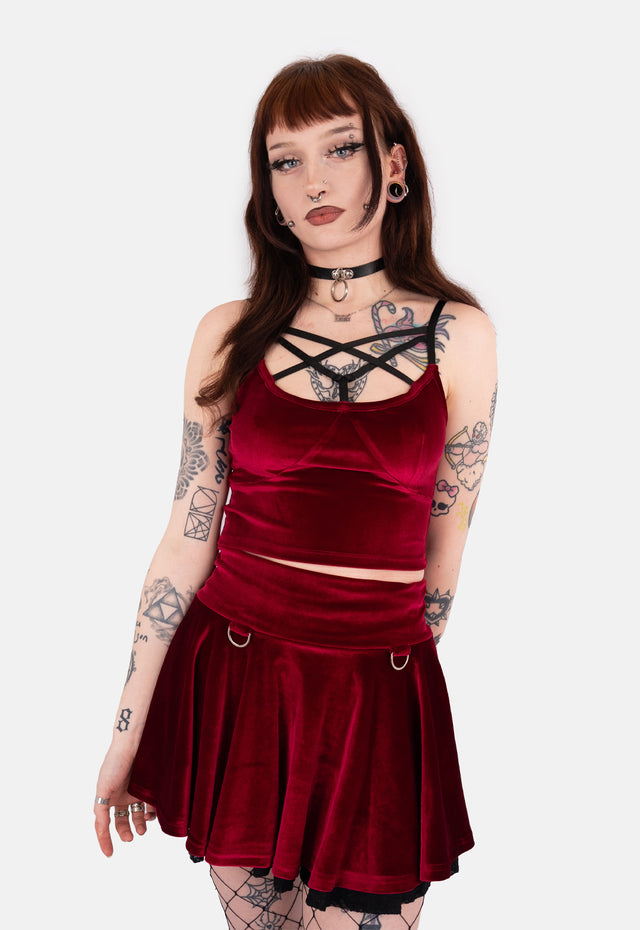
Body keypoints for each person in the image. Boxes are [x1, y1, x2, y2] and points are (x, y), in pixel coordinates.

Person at [94, 54, 497, 930]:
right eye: (286, 160)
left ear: (394, 163)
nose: (313, 179)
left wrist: (373, 674)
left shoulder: (458, 335)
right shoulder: (228, 334)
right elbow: (186, 538)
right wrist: (126, 736)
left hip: (378, 693)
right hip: (240, 682)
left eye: (340, 148)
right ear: (268, 189)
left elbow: (447, 544)